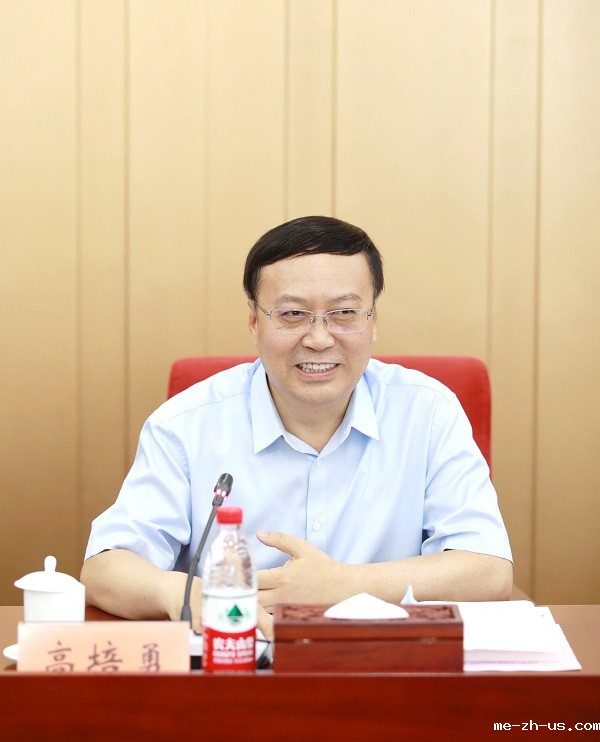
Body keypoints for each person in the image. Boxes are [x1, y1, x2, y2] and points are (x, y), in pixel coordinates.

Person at [81, 215, 513, 639]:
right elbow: (105, 568)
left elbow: (488, 571)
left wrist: (344, 584)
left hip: (385, 665)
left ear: (373, 320)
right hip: (234, 659)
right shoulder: (184, 425)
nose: (319, 339)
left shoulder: (429, 412)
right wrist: (191, 594)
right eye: (292, 314)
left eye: (345, 313)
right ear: (254, 321)